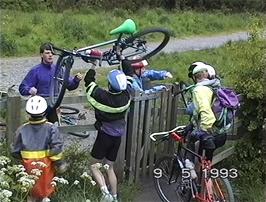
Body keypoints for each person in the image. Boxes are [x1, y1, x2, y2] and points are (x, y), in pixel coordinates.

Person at [84, 64, 131, 202]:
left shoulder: (102, 96)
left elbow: (89, 83)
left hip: (105, 135)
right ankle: (115, 197)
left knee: (94, 165)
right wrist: (122, 59)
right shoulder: (126, 96)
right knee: (109, 167)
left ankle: (105, 194)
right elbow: (128, 77)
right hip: (117, 137)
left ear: (110, 85)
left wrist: (93, 66)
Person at [11, 95, 66, 202]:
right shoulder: (51, 128)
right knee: (45, 193)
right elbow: (56, 149)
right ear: (44, 112)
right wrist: (59, 163)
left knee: (30, 192)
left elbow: (15, 151)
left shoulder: (22, 129)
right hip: (46, 166)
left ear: (28, 112)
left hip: (27, 166)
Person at [19, 42, 82, 122]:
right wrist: (29, 90)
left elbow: (70, 85)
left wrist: (76, 80)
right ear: (41, 55)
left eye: (52, 53)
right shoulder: (35, 71)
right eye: (47, 53)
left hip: (54, 105)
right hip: (39, 107)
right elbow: (22, 88)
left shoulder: (59, 69)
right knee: (39, 131)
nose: (50, 55)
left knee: (54, 131)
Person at [186, 62, 221, 161]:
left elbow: (204, 110)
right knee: (206, 162)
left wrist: (203, 130)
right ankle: (205, 173)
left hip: (208, 128)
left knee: (190, 138)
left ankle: (190, 168)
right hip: (218, 130)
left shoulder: (200, 90)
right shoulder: (214, 86)